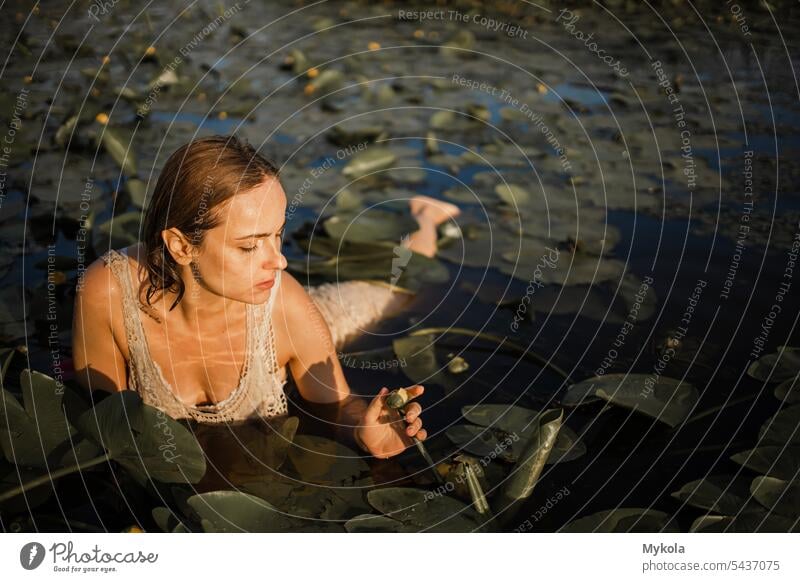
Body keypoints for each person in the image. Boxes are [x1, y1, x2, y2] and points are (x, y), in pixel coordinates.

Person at [71, 135, 461, 459]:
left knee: (403, 291)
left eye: (277, 235)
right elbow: (103, 419)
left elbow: (338, 403)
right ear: (180, 245)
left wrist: (362, 430)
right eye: (248, 246)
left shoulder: (285, 302)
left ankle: (426, 219)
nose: (279, 260)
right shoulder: (107, 293)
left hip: (318, 315)